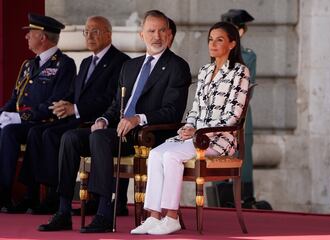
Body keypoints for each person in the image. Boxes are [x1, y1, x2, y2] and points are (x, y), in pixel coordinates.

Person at [37, 9, 191, 233]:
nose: (156, 36)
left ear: (169, 34)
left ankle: (104, 212)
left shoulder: (177, 66)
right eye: (151, 31)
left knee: (99, 138)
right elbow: (114, 107)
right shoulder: (130, 67)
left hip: (147, 135)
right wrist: (102, 119)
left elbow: (172, 112)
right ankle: (62, 210)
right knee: (70, 137)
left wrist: (138, 118)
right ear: (142, 35)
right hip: (117, 130)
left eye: (161, 31)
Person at [130, 21, 250, 235]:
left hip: (218, 141)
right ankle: (154, 216)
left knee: (170, 157)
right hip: (194, 137)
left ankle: (171, 217)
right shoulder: (205, 71)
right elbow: (195, 108)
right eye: (210, 40)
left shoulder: (239, 72)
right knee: (156, 154)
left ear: (232, 44)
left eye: (219, 40)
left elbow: (233, 117)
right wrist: (188, 127)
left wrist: (199, 132)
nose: (213, 44)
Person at [5, 16, 130, 214]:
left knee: (51, 135)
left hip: (99, 121)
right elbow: (74, 92)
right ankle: (33, 194)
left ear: (108, 34)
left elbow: (110, 100)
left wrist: (76, 108)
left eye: (95, 32)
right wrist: (64, 104)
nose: (89, 36)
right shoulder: (87, 61)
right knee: (36, 132)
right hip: (78, 118)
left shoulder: (121, 62)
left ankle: (55, 196)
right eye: (86, 32)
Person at [0, 13, 76, 210]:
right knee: (3, 129)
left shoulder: (64, 64)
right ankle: (4, 194)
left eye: (30, 33)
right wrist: (3, 113)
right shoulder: (28, 64)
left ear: (42, 36)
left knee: (9, 132)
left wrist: (20, 117)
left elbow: (54, 103)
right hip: (25, 123)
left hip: (45, 123)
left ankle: (9, 193)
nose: (26, 37)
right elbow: (15, 98)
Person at [221, 9, 257, 204]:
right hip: (218, 114)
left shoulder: (247, 56)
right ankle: (221, 198)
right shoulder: (217, 54)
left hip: (240, 115)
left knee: (243, 159)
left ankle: (244, 198)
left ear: (240, 32)